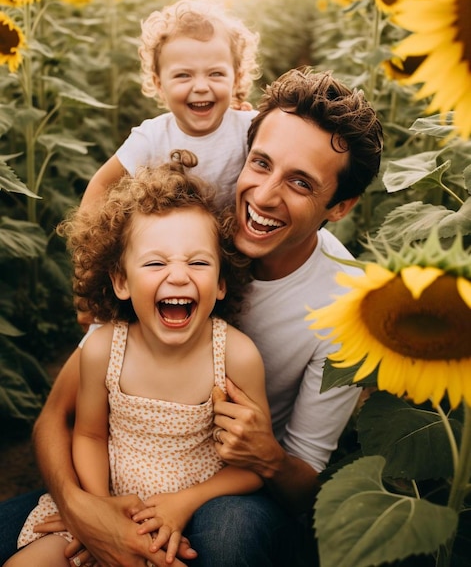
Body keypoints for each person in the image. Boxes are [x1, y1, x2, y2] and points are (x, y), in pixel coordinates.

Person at [0, 67, 383, 567]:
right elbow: (58, 417)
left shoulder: (347, 310)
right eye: (260, 163)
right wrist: (86, 512)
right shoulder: (188, 224)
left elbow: (304, 491)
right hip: (118, 474)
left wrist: (264, 453)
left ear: (341, 205)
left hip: (230, 493)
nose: (264, 196)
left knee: (228, 538)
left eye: (300, 183)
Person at [4, 151, 269, 567]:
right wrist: (101, 511)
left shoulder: (235, 355)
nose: (178, 275)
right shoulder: (103, 349)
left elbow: (255, 466)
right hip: (106, 500)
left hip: (187, 519)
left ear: (220, 283)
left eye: (198, 262)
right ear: (122, 281)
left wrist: (185, 504)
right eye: (156, 262)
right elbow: (89, 436)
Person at [80, 0, 260, 213]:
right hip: (174, 245)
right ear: (159, 85)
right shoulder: (152, 138)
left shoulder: (249, 127)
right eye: (183, 75)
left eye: (216, 73)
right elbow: (102, 184)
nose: (201, 86)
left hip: (237, 243)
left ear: (237, 79)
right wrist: (90, 243)